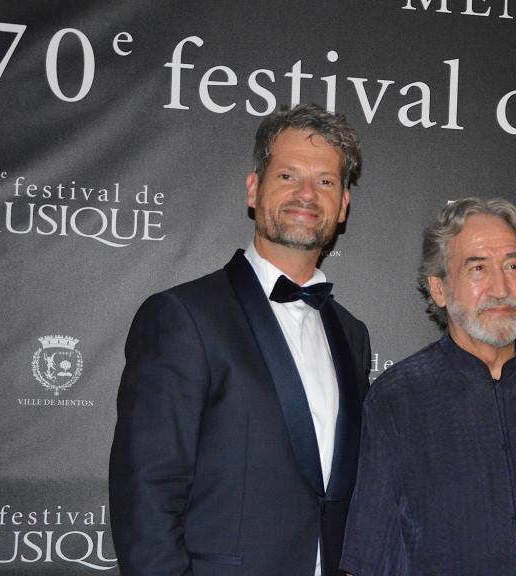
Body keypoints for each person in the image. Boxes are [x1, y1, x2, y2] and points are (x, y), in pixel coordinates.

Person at [109, 104, 371, 576]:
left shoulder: (352, 335)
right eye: (288, 175)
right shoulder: (183, 317)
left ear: (344, 204)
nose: (307, 194)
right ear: (254, 190)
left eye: (326, 181)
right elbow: (147, 496)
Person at [340, 198, 516, 576]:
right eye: (478, 268)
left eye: (513, 266)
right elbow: (368, 558)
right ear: (439, 289)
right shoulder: (397, 398)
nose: (501, 287)